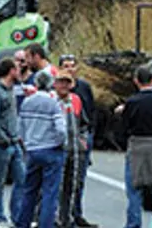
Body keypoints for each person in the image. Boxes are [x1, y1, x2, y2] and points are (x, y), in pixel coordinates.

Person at [13, 70, 67, 228]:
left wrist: (27, 143)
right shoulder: (53, 103)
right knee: (50, 192)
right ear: (51, 84)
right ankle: (45, 224)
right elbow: (61, 129)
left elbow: (20, 128)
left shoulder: (27, 102)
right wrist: (59, 143)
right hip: (51, 150)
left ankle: (22, 222)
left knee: (29, 189)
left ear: (36, 84)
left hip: (32, 150)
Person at [119, 63, 152, 228]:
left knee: (134, 188)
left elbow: (123, 127)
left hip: (137, 145)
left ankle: (134, 224)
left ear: (136, 81)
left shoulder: (132, 102)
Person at [0, 58, 26, 228]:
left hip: (14, 141)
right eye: (17, 68)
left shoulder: (11, 89)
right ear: (11, 71)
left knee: (21, 179)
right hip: (0, 144)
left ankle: (17, 216)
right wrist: (2, 138)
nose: (20, 70)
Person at [59, 54, 97, 227]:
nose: (69, 69)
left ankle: (76, 214)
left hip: (80, 139)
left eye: (72, 66)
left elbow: (90, 113)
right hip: (62, 143)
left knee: (78, 180)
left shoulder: (83, 88)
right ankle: (60, 215)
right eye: (65, 66)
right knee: (61, 182)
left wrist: (86, 138)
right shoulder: (57, 91)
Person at [53, 68, 89, 228]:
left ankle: (68, 219)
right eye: (61, 82)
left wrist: (83, 139)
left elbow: (84, 123)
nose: (64, 86)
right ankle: (52, 219)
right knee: (55, 186)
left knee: (72, 186)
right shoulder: (50, 99)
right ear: (55, 83)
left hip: (75, 151)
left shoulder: (76, 100)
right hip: (56, 150)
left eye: (67, 82)